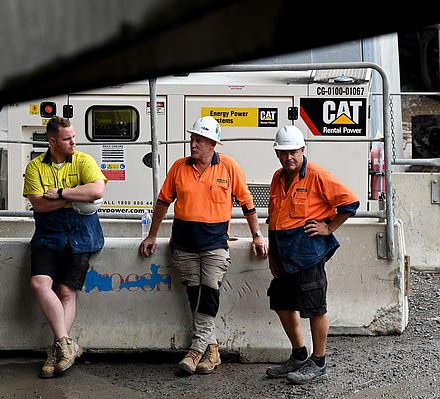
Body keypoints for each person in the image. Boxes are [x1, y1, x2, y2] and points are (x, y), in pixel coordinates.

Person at [139, 115, 268, 375]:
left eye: (199, 140)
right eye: (192, 139)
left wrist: (257, 235)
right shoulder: (179, 167)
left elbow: (247, 204)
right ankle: (212, 350)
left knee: (209, 293)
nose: (193, 144)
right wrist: (152, 235)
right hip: (184, 243)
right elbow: (163, 203)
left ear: (212, 144)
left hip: (215, 243)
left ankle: (196, 350)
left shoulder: (229, 167)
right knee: (194, 295)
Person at [265, 125, 360, 384]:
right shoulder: (277, 177)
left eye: (293, 152)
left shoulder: (318, 175)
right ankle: (298, 355)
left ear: (303, 150)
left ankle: (318, 362)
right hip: (283, 256)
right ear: (277, 153)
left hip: (308, 254)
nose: (289, 158)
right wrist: (273, 254)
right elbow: (274, 218)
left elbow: (350, 203)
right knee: (282, 303)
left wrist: (328, 227)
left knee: (316, 307)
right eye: (283, 153)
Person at [23, 116, 107, 378]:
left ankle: (56, 351)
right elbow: (38, 205)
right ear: (52, 141)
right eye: (67, 138)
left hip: (82, 235)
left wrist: (61, 193)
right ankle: (65, 344)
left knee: (66, 291)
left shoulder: (84, 160)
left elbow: (97, 191)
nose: (73, 141)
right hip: (48, 235)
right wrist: (74, 196)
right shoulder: (35, 166)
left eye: (73, 136)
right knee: (39, 283)